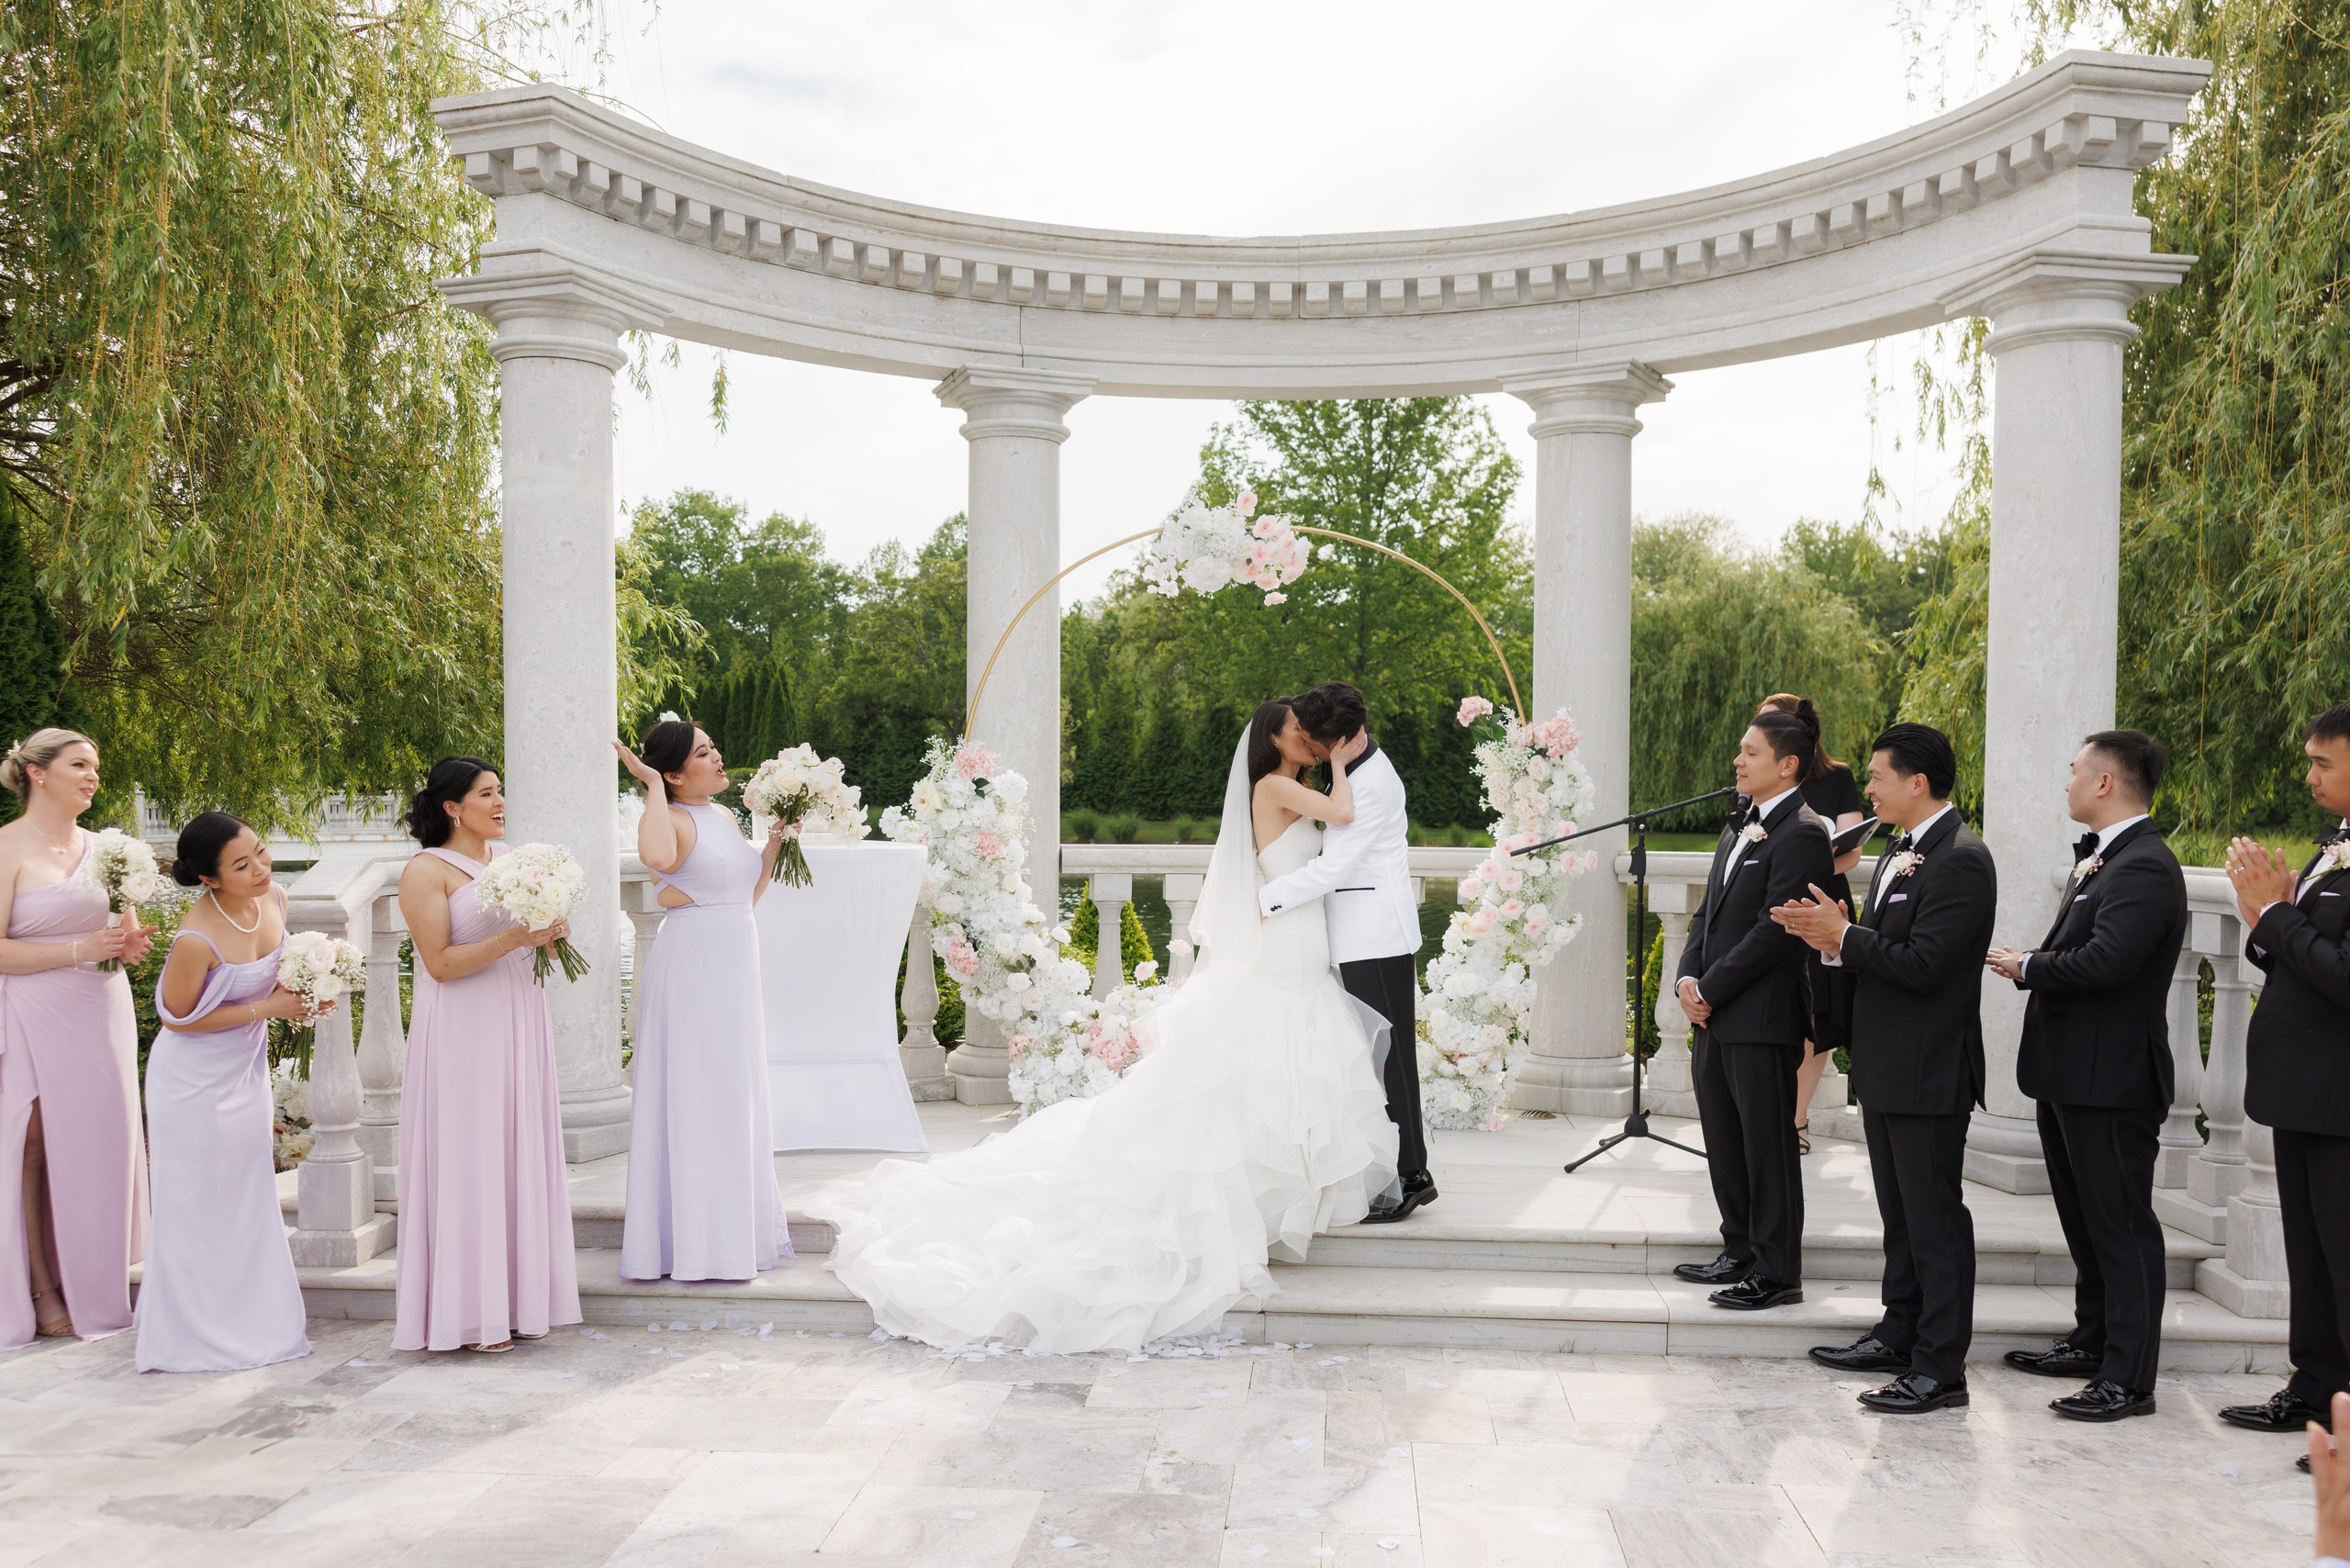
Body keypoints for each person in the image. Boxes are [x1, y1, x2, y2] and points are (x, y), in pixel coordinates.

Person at [805, 700, 1398, 1351]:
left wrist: (1330, 770)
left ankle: (1285, 1192)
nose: (1309, 738)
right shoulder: (1275, 784)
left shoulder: (1299, 785)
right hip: (1282, 943)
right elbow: (1343, 817)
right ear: (1274, 739)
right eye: (1299, 730)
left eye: (1313, 732)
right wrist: (1346, 760)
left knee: (1291, 1059)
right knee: (1266, 1059)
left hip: (1299, 937)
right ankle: (1260, 1196)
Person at [1776, 723, 1995, 1414]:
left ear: (1917, 782)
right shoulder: (1901, 851)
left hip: (1930, 1067)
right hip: (1889, 1061)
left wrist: (1847, 936)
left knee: (1933, 1219)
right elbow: (1884, 948)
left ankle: (1940, 1366)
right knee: (1900, 1218)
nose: (1866, 787)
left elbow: (1929, 964)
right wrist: (1836, 941)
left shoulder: (1961, 858)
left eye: (1877, 775)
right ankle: (1899, 1331)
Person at [1986, 731, 2186, 1422]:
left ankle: (2129, 1378)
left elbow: (2110, 963)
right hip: (2072, 1073)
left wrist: (2029, 967)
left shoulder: (2145, 867)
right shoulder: (2107, 860)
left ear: (2105, 783)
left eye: (2074, 772)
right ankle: (2093, 1338)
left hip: (2112, 1079)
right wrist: (2035, 960)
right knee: (2084, 1218)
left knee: (2121, 1225)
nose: (2066, 783)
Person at [392, 757, 581, 1353]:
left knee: (516, 1145)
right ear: (453, 807)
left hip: (520, 1016)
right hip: (463, 1029)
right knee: (472, 1153)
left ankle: (522, 1302)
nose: (500, 803)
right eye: (487, 794)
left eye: (500, 792)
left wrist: (553, 936)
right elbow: (441, 965)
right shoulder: (424, 872)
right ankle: (470, 1314)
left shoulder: (514, 859)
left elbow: (534, 946)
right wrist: (515, 938)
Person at [135, 813, 317, 1372]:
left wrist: (311, 989)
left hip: (244, 1074)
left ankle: (255, 1320)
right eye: (243, 865)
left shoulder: (277, 898)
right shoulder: (196, 937)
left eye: (260, 853)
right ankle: (193, 1332)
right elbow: (179, 1019)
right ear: (211, 879)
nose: (261, 868)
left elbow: (280, 977)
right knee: (196, 1203)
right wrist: (272, 1007)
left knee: (247, 1196)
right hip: (191, 1082)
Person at [612, 720, 791, 1282]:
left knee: (734, 1090)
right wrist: (650, 788)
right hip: (692, 969)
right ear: (673, 772)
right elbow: (656, 858)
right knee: (697, 1089)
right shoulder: (669, 819)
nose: (718, 758)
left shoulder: (724, 817)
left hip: (735, 958)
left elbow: (744, 896)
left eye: (715, 746)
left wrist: (772, 848)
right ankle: (689, 1244)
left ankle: (731, 1234)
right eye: (703, 753)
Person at [1669, 709, 1836, 1311]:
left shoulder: (1804, 832)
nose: (1737, 761)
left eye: (1750, 753)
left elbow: (1776, 932)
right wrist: (1688, 976)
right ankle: (1738, 1248)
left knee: (1768, 1145)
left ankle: (1778, 1272)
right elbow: (1705, 914)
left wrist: (1710, 989)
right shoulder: (1742, 821)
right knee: (1725, 1138)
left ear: (1787, 764)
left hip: (1761, 1017)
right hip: (1714, 1012)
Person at [2218, 701, 2350, 1456]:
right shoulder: (2336, 842)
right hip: (2301, 1085)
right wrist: (2266, 918)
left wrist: (2276, 914)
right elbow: (2299, 957)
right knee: (2313, 1256)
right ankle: (2313, 1389)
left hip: (2342, 1097)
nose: (2308, 777)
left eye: (2323, 762)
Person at [1256, 680, 1432, 1223]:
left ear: (1340, 741)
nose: (1307, 745)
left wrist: (1266, 899)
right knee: (1379, 1056)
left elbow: (1333, 869)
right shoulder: (1355, 770)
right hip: (1363, 933)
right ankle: (1399, 1167)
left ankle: (1411, 1177)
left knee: (1392, 1058)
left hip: (1374, 935)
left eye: (1314, 739)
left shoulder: (1371, 783)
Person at [0, 729, 152, 1349]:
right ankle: (40, 1285)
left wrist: (129, 942)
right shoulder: (7, 847)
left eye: (96, 766)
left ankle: (98, 1278)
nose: (93, 776)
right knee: (32, 1143)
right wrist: (76, 949)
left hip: (102, 1009)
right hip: (34, 1009)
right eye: (79, 765)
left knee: (103, 1143)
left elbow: (125, 927)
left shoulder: (108, 848)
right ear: (37, 773)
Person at [1759, 694, 1866, 1155]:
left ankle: (1796, 1121)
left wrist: (1810, 867)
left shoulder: (1836, 778)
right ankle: (1765, 1116)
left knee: (1815, 1016)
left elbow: (1854, 848)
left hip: (1823, 904)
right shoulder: (1753, 781)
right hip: (1772, 905)